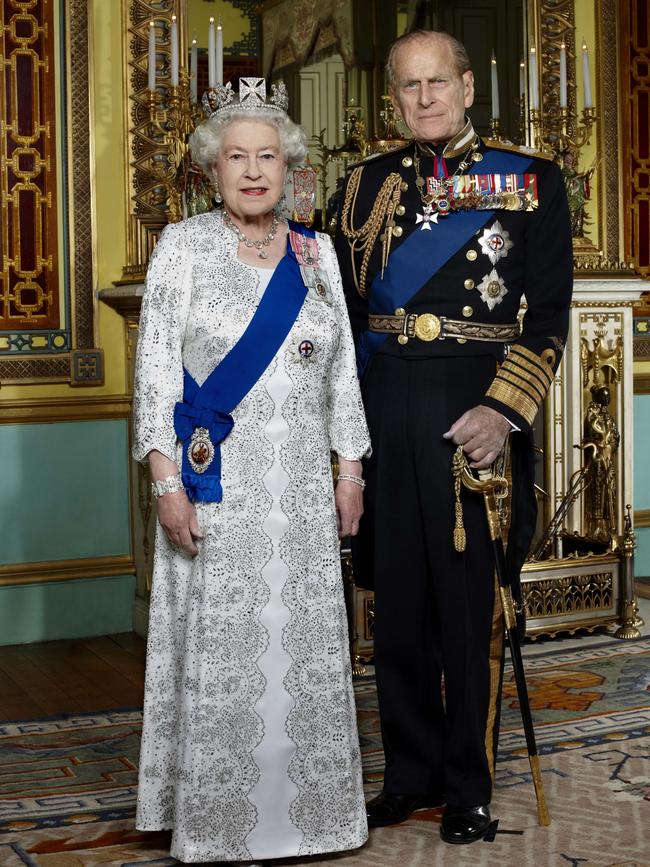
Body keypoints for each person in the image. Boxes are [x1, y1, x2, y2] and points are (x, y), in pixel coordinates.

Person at [334, 31, 573, 844]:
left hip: (474, 410)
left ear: (469, 87)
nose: (425, 97)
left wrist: (503, 413)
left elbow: (545, 321)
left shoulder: (531, 181)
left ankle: (468, 783)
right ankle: (410, 773)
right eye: (410, 85)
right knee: (395, 606)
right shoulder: (363, 186)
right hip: (386, 402)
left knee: (469, 612)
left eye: (440, 81)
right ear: (393, 98)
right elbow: (339, 314)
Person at [133, 77, 370, 863]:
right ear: (214, 168)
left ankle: (315, 817)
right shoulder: (182, 245)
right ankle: (216, 818)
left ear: (289, 165)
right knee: (225, 647)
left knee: (297, 645)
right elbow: (156, 374)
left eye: (268, 155)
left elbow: (343, 375)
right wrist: (167, 482)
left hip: (301, 484)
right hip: (217, 481)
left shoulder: (317, 250)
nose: (255, 170)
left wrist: (349, 471)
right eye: (238, 157)